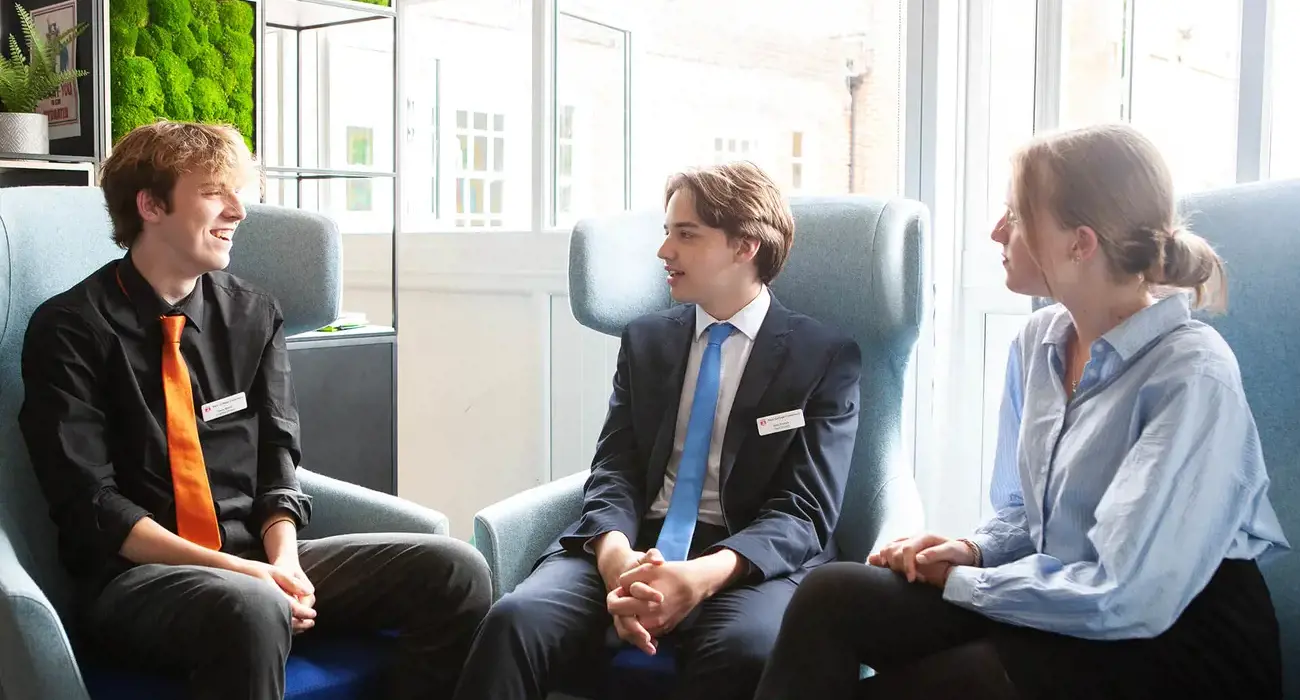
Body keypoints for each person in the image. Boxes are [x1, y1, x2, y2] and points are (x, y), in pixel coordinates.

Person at [752, 123, 1290, 700]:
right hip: (1069, 603)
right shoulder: (1039, 342)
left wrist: (967, 582)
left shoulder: (1190, 372)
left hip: (1177, 636)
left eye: (1016, 214)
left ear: (1080, 243)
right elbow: (1022, 512)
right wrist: (976, 550)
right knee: (831, 595)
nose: (996, 231)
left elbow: (1128, 595)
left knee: (961, 681)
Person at [18, 121, 492, 700]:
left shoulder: (253, 315)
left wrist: (283, 563)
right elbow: (93, 505)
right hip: (137, 580)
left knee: (456, 570)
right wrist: (244, 576)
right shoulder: (69, 329)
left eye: (239, 190)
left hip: (254, 560)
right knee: (252, 605)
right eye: (215, 191)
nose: (239, 210)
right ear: (150, 205)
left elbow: (277, 460)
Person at [451, 161, 862, 700]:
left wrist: (702, 575)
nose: (664, 251)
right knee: (516, 620)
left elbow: (804, 510)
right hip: (635, 538)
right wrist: (616, 556)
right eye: (666, 233)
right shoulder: (647, 342)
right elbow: (614, 467)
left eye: (686, 235)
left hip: (747, 558)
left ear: (747, 246)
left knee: (744, 651)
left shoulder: (823, 357)